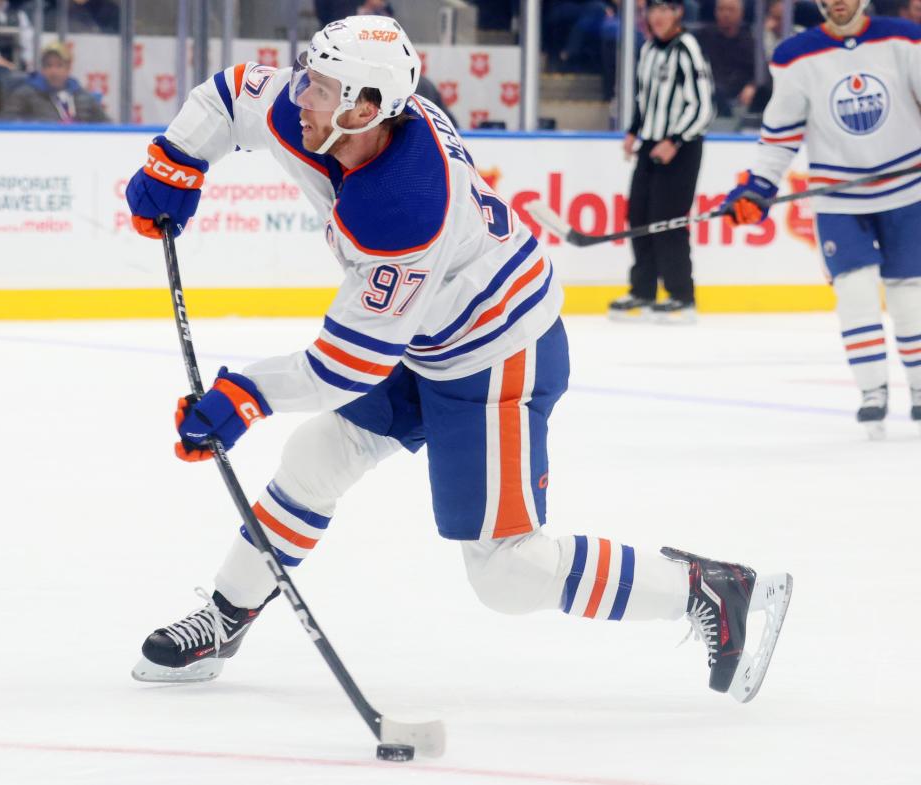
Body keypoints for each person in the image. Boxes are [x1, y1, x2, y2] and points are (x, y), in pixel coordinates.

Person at [124, 15, 791, 701]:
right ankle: (228, 616)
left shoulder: (402, 208)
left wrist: (244, 396)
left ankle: (709, 588)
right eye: (308, 77)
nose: (299, 96)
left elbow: (347, 365)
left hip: (496, 355)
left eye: (320, 88)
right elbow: (233, 94)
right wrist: (177, 158)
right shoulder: (335, 116)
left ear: (365, 108)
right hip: (427, 333)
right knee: (317, 455)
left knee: (507, 572)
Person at [723, 0, 921, 437]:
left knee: (910, 296)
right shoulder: (796, 55)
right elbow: (780, 134)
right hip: (840, 200)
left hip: (908, 193)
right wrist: (758, 187)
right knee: (854, 293)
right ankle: (873, 391)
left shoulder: (904, 39)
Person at [609, 0, 714, 323]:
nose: (656, 16)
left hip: (681, 147)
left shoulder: (688, 49)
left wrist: (676, 140)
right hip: (651, 145)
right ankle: (642, 290)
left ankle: (682, 295)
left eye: (664, 9)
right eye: (652, 10)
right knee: (639, 217)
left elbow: (703, 106)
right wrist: (633, 131)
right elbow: (646, 100)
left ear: (678, 12)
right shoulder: (649, 50)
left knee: (667, 221)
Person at [2, 42, 109, 123]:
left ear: (68, 68)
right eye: (48, 65)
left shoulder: (83, 96)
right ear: (42, 69)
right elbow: (5, 124)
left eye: (59, 65)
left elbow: (107, 127)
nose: (54, 71)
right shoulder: (25, 94)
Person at [695, 0, 757, 115]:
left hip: (741, 98)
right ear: (715, 12)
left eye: (731, 10)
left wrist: (752, 86)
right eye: (721, 9)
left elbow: (760, 72)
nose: (726, 14)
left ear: (741, 13)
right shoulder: (702, 37)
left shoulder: (750, 41)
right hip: (709, 95)